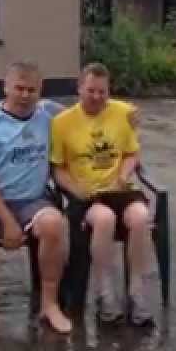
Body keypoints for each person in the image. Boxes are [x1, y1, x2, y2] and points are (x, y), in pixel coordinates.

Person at [0, 61, 72, 343]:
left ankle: (49, 304)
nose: (24, 95)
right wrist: (8, 222)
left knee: (54, 224)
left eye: (31, 89)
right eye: (19, 88)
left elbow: (88, 113)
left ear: (40, 91)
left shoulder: (48, 114)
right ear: (6, 87)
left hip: (32, 199)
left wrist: (125, 115)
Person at [50, 63, 156, 326]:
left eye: (103, 92)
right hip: (88, 195)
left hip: (119, 189)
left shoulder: (123, 112)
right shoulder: (62, 123)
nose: (97, 97)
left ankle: (136, 290)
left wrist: (123, 175)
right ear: (79, 89)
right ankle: (105, 291)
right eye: (91, 91)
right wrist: (77, 191)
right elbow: (58, 169)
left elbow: (132, 153)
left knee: (141, 216)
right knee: (105, 219)